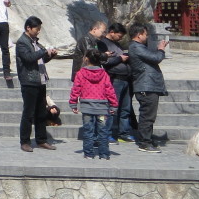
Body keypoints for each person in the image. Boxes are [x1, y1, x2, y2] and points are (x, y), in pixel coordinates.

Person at [16, 16, 58, 153]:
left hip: (40, 80)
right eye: (37, 29)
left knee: (41, 112)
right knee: (28, 113)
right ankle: (25, 141)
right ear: (28, 28)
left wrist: (50, 54)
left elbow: (41, 59)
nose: (38, 31)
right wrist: (43, 51)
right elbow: (29, 58)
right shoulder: (22, 42)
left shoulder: (36, 42)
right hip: (29, 82)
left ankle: (41, 140)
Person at [69, 49, 118, 160]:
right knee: (103, 132)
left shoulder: (80, 73)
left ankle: (88, 154)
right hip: (102, 108)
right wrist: (113, 105)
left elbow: (76, 89)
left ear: (86, 59)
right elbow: (109, 90)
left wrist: (73, 103)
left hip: (87, 107)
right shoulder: (104, 74)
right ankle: (104, 154)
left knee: (88, 131)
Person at [127, 23, 167, 154]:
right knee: (147, 116)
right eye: (145, 34)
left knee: (149, 115)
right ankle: (144, 142)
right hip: (146, 86)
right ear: (139, 35)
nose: (147, 36)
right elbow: (156, 58)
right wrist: (161, 49)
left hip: (148, 85)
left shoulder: (138, 47)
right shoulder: (136, 47)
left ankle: (147, 139)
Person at [100, 22, 135, 143]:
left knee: (125, 108)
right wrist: (120, 58)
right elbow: (104, 62)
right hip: (114, 79)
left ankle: (123, 133)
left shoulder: (117, 44)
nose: (120, 38)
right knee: (111, 108)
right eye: (119, 35)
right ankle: (107, 133)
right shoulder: (103, 44)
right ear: (112, 32)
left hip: (126, 78)